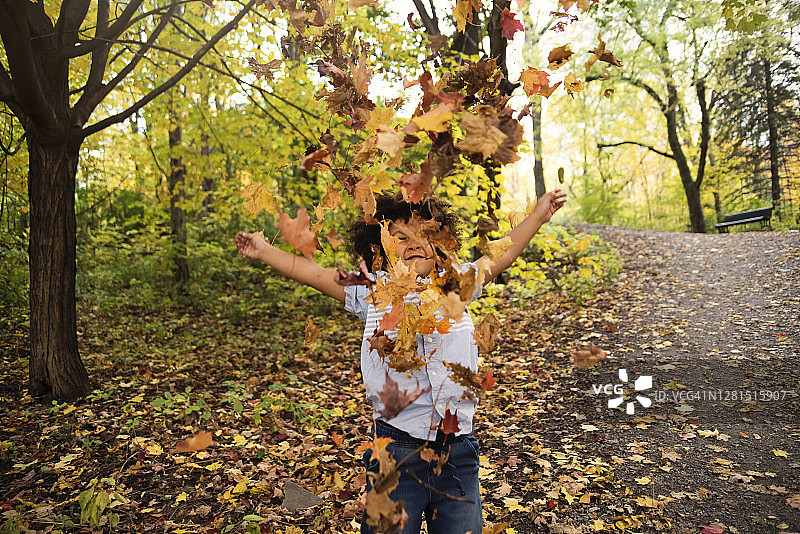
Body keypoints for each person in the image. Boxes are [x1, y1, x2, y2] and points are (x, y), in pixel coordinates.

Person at [235, 189, 566, 534]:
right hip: (396, 452)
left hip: (456, 454)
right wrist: (264, 250)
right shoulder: (372, 289)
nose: (414, 243)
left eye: (424, 233)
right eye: (400, 237)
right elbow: (315, 273)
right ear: (380, 248)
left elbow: (502, 252)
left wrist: (540, 215)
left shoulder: (456, 283)